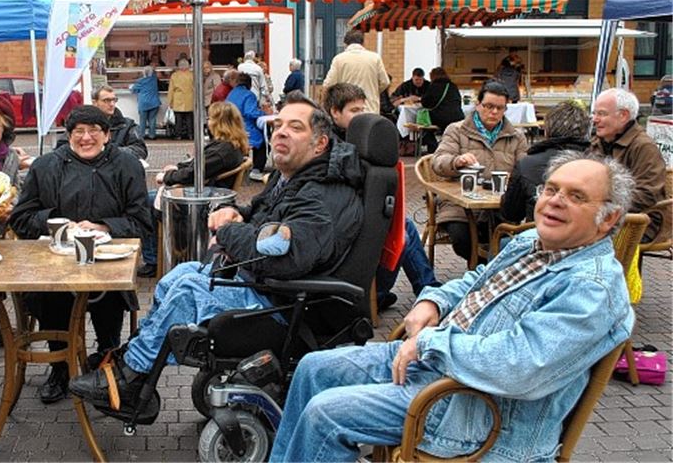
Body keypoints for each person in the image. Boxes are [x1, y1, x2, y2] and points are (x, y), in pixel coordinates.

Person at [271, 152, 635, 462]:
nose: (555, 201)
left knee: (326, 414)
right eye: (551, 189)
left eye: (576, 196)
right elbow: (476, 279)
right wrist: (433, 298)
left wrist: (430, 343)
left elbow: (520, 365)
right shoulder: (531, 242)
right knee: (313, 367)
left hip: (473, 411)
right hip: (438, 366)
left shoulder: (592, 288)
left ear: (608, 219)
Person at [69, 92, 365, 406]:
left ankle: (130, 378)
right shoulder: (294, 178)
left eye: (295, 127)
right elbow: (264, 214)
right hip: (266, 286)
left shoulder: (321, 194)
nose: (280, 131)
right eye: (278, 124)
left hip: (285, 303)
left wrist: (227, 230)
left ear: (319, 145)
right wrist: (238, 213)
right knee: (177, 276)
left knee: (188, 289)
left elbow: (284, 256)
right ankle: (135, 360)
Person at [8, 106, 152, 404]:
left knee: (110, 296)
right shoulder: (46, 166)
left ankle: (107, 360)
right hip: (55, 263)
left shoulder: (127, 165)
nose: (86, 138)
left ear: (107, 135)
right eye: (78, 132)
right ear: (68, 135)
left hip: (108, 264)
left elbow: (142, 222)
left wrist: (103, 226)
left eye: (94, 131)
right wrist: (56, 224)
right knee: (50, 296)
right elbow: (20, 219)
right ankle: (60, 367)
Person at [324, 83, 439, 310]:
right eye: (354, 111)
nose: (361, 115)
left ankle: (402, 291)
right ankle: (414, 290)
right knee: (402, 231)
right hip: (342, 226)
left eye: (362, 109)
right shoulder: (332, 145)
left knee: (401, 226)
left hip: (354, 218)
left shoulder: (356, 139)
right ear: (335, 112)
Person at [138, 101, 250, 278]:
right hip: (205, 191)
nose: (207, 122)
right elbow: (195, 167)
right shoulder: (228, 146)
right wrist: (177, 167)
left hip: (200, 198)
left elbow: (192, 174)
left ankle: (152, 259)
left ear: (219, 122)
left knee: (142, 202)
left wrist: (167, 176)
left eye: (210, 118)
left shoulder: (222, 151)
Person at [431, 80, 528, 262]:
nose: (494, 112)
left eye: (500, 108)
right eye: (489, 106)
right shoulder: (457, 130)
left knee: (509, 238)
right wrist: (457, 161)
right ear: (478, 105)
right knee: (462, 238)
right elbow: (438, 162)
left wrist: (514, 178)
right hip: (459, 204)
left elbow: (525, 169)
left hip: (500, 204)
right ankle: (485, 269)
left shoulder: (516, 137)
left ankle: (490, 268)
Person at [589, 88, 667, 242]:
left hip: (640, 221)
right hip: (603, 214)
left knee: (578, 235)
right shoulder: (598, 143)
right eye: (594, 113)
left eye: (602, 114)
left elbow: (647, 194)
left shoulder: (644, 147)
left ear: (623, 115)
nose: (595, 119)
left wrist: (601, 205)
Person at [502, 100, 591, 223]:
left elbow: (511, 214)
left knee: (503, 240)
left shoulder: (527, 164)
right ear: (586, 131)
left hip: (538, 236)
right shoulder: (598, 164)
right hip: (586, 237)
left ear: (547, 130)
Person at [322, 28, 390, 116]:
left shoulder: (339, 59)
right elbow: (385, 82)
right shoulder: (375, 58)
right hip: (370, 108)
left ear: (345, 44)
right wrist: (373, 91)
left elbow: (328, 85)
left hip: (347, 109)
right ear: (363, 43)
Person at [226, 72, 268, 182]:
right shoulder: (249, 95)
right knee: (263, 143)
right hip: (244, 128)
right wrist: (264, 113)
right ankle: (257, 170)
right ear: (249, 84)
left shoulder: (231, 93)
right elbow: (250, 112)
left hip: (231, 128)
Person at [418, 67, 464, 152]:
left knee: (425, 124)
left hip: (441, 117)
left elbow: (425, 103)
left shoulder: (434, 86)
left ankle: (433, 147)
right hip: (458, 116)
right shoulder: (453, 86)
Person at [131, 67, 161, 140]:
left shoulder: (140, 81)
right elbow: (154, 71)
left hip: (143, 103)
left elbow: (133, 90)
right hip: (154, 103)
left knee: (143, 120)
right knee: (152, 119)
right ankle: (152, 135)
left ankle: (142, 135)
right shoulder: (154, 79)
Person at [168, 59, 195, 140]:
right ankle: (190, 135)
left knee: (178, 120)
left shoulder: (174, 75)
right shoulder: (192, 75)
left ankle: (178, 135)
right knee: (189, 119)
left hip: (178, 99)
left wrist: (170, 102)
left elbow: (171, 90)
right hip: (190, 99)